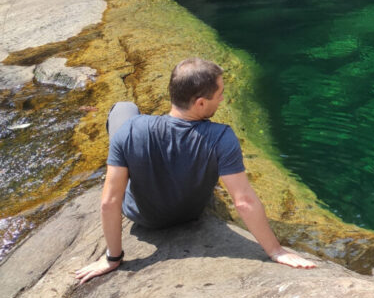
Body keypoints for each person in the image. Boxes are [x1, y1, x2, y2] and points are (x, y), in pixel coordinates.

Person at [75, 57, 315, 284]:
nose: (222, 100)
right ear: (201, 103)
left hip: (142, 217)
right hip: (190, 213)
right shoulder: (222, 137)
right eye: (219, 95)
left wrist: (112, 258)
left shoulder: (131, 129)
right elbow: (243, 201)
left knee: (123, 108)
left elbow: (109, 202)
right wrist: (276, 251)